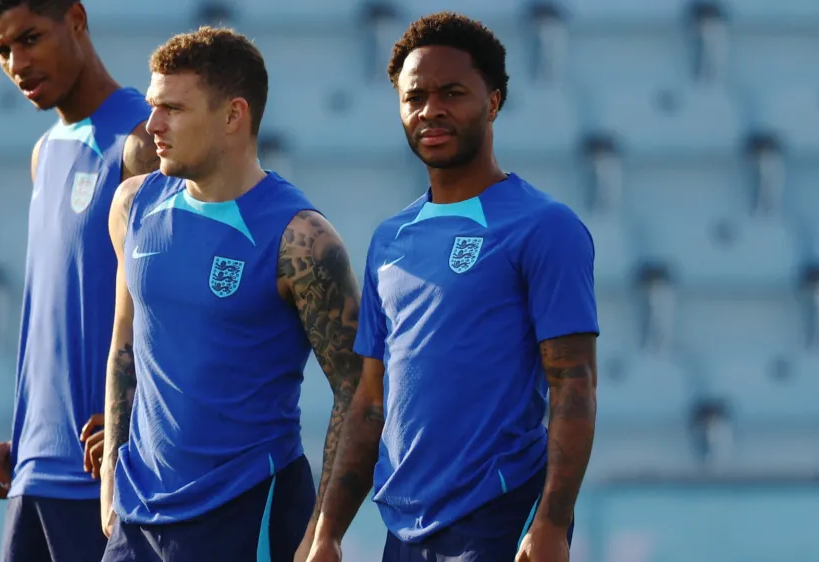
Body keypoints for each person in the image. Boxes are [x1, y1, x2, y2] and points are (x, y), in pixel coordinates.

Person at [304, 11, 599, 562]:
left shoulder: (543, 227)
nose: (430, 110)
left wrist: (552, 522)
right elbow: (371, 403)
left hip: (497, 518)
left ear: (493, 101)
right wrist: (328, 531)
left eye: (452, 93)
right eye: (414, 97)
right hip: (404, 529)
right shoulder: (390, 239)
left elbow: (574, 385)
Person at [97, 26, 364, 562]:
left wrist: (325, 527)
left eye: (172, 109)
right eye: (153, 106)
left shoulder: (302, 240)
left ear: (232, 115)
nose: (152, 126)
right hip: (138, 517)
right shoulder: (133, 206)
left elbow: (357, 392)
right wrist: (110, 472)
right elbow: (124, 340)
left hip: (249, 514)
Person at [0, 1, 158, 561]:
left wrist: (136, 415)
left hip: (101, 475)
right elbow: (54, 308)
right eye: (3, 50)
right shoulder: (44, 153)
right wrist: (25, 432)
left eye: (30, 38)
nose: (17, 63)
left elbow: (167, 303)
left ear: (76, 19)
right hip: (32, 470)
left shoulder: (141, 142)